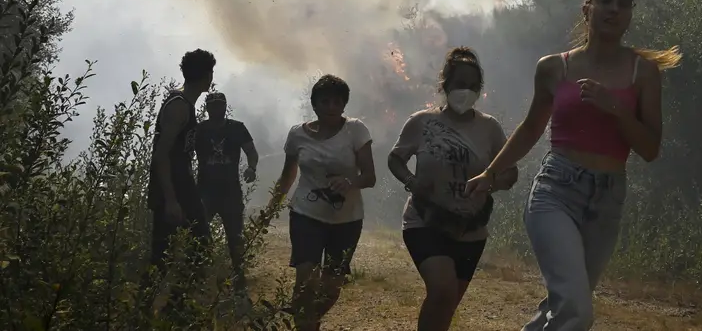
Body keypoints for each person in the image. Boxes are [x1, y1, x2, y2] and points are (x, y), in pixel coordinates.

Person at [465, 0, 681, 330]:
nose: (614, 9)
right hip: (556, 191)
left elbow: (650, 148)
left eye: (623, 3)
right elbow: (531, 128)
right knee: (576, 311)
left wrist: (617, 109)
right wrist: (490, 173)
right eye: (605, 0)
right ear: (587, 9)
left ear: (630, 14)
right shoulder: (554, 67)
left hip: (608, 199)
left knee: (564, 304)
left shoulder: (644, 73)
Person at [388, 47, 519, 331]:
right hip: (425, 221)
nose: (466, 91)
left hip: (471, 228)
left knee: (446, 304)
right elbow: (395, 159)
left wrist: (490, 182)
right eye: (460, 83)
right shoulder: (422, 122)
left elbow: (510, 173)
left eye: (473, 86)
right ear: (445, 84)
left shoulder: (490, 128)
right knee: (442, 290)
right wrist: (411, 181)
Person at [270, 74, 376, 331]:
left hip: (346, 219)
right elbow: (288, 174)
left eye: (337, 102)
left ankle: (308, 320)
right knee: (306, 279)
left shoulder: (356, 130)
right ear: (314, 104)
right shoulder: (297, 134)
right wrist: (272, 205)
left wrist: (350, 182)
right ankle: (304, 323)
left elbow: (370, 176)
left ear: (344, 105)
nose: (331, 107)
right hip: (306, 214)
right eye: (325, 101)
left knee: (331, 288)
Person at [144, 48, 216, 317]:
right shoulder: (178, 106)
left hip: (181, 186)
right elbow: (161, 155)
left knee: (188, 249)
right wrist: (171, 200)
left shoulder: (183, 102)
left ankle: (170, 309)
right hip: (172, 189)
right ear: (207, 75)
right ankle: (161, 311)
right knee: (174, 252)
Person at [194, 90, 259, 289]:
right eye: (212, 106)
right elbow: (186, 154)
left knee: (235, 237)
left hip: (230, 190)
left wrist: (251, 168)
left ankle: (239, 279)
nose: (216, 109)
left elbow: (251, 152)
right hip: (205, 191)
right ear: (207, 108)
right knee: (198, 235)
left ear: (224, 106)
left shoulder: (236, 128)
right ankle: (200, 278)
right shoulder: (199, 130)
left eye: (219, 105)